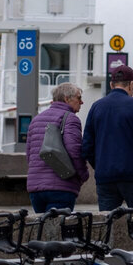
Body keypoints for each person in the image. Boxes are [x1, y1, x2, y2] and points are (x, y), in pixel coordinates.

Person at [81, 66, 133, 209]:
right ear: (132, 84)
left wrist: (100, 165)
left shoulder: (96, 107)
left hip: (105, 177)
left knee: (108, 225)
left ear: (111, 84)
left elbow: (87, 146)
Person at [25, 82, 89, 212]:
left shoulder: (36, 119)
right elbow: (74, 151)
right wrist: (83, 174)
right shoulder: (70, 118)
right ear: (67, 99)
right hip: (61, 187)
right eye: (78, 98)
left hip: (35, 189)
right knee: (57, 230)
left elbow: (29, 154)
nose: (81, 102)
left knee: (42, 230)